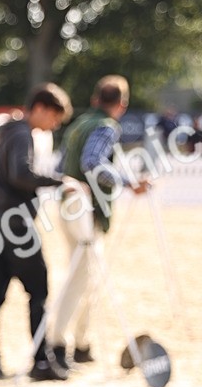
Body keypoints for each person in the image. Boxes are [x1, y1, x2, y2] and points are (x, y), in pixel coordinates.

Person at [50, 75, 150, 368]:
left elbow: (60, 166)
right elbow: (92, 163)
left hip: (67, 206)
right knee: (80, 278)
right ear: (121, 104)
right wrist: (128, 182)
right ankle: (58, 344)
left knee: (87, 275)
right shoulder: (106, 126)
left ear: (96, 99)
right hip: (86, 210)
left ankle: (82, 343)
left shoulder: (78, 124)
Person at [0, 83, 73, 381]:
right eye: (54, 118)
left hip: (0, 220)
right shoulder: (23, 134)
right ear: (41, 108)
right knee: (39, 289)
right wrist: (60, 181)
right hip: (18, 225)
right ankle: (41, 361)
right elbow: (21, 174)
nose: (54, 125)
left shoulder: (10, 131)